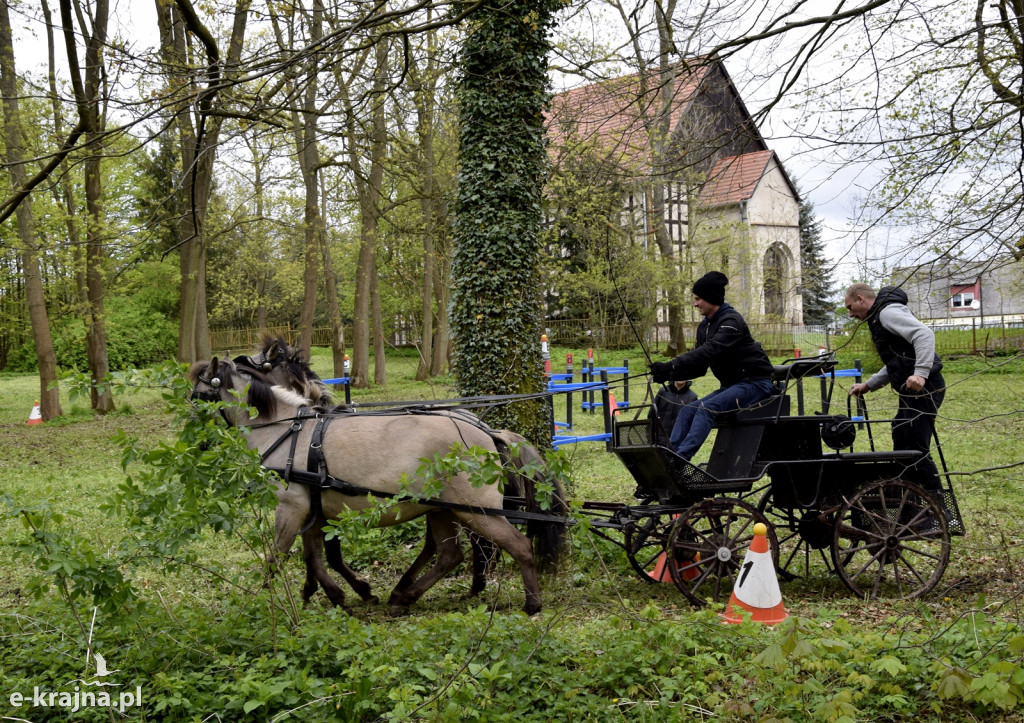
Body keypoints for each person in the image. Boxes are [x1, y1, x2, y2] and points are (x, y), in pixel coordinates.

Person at [649, 271, 776, 461]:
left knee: (706, 408)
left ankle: (680, 460)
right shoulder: (705, 326)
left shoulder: (732, 322)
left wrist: (671, 364)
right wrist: (669, 374)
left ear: (711, 298)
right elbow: (699, 367)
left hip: (755, 383)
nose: (695, 303)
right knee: (687, 410)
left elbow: (710, 350)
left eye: (698, 299)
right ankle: (669, 458)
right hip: (732, 386)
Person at [845, 283, 946, 501]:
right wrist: (869, 385)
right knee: (902, 440)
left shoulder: (887, 312)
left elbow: (924, 334)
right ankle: (911, 503)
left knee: (915, 446)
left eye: (850, 307)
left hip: (924, 388)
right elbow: (897, 362)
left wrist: (920, 373)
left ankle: (937, 508)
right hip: (912, 391)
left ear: (861, 299)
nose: (851, 314)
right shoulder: (878, 317)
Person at [649, 380, 697, 446]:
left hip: (679, 442)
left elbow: (693, 422)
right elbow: (652, 414)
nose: (681, 377)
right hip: (659, 440)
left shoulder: (692, 397)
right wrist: (649, 434)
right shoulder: (663, 392)